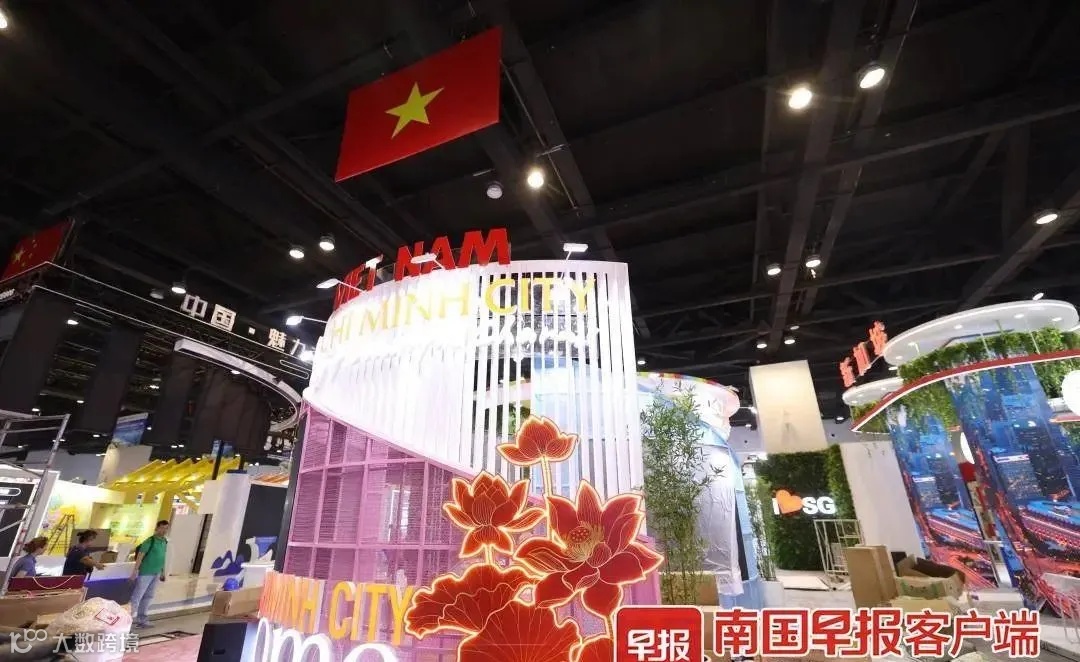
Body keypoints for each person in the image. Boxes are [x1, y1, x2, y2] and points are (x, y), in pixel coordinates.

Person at [129, 520, 170, 629]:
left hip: (156, 573)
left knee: (148, 596)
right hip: (146, 573)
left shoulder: (164, 541)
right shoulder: (149, 541)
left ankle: (142, 620)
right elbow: (140, 556)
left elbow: (162, 557)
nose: (164, 530)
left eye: (166, 528)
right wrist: (135, 571)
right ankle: (127, 621)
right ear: (157, 528)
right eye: (162, 528)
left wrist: (163, 571)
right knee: (137, 597)